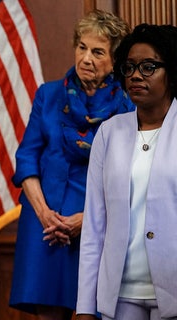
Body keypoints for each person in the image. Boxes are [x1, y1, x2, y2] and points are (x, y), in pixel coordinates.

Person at [9, 10, 134, 320]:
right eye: (81, 47)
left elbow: (131, 173)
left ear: (115, 59)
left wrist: (88, 219)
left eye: (98, 51)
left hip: (96, 225)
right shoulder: (48, 95)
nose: (86, 58)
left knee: (89, 311)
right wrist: (44, 214)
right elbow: (27, 157)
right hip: (44, 223)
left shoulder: (128, 105)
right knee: (47, 311)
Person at [77, 24, 177, 320]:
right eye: (129, 67)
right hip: (120, 294)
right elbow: (94, 226)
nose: (135, 75)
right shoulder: (109, 133)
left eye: (149, 67)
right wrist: (84, 307)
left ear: (171, 72)